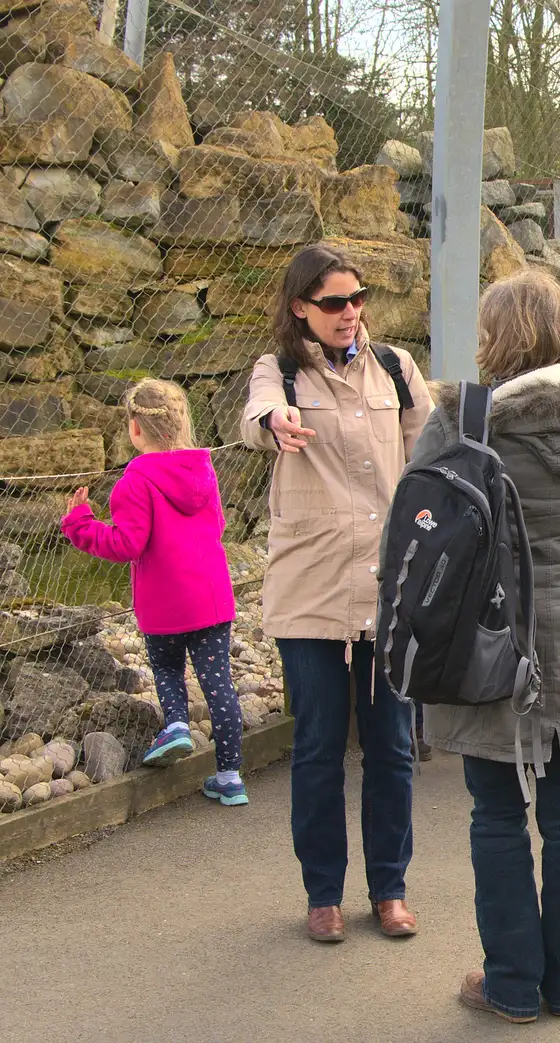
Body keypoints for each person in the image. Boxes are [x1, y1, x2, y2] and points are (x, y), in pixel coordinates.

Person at [408, 269, 560, 1023]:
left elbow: (416, 533)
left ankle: (511, 982)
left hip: (485, 645)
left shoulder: (460, 423)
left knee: (494, 815)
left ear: (494, 336)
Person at [241, 243, 432, 944]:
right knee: (319, 743)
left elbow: (430, 453)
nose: (349, 313)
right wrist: (276, 422)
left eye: (356, 299)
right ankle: (323, 892)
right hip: (312, 585)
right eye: (332, 303)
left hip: (389, 587)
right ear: (301, 307)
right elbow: (256, 414)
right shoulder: (280, 371)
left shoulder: (397, 369)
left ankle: (389, 888)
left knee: (390, 744)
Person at [61, 379, 245, 805]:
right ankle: (230, 775)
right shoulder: (203, 470)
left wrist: (79, 523)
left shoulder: (134, 481)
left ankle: (177, 725)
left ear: (134, 428)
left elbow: (125, 544)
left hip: (163, 602)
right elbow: (217, 527)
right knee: (219, 684)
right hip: (211, 596)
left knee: (166, 670)